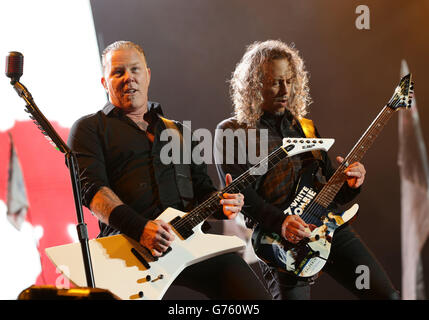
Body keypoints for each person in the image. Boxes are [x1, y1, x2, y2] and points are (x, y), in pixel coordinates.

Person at [67, 40, 271, 300]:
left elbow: (203, 192)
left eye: (135, 69)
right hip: (127, 251)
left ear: (148, 75)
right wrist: (141, 228)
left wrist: (224, 205)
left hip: (190, 244)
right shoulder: (89, 128)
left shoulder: (180, 132)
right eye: (118, 72)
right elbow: (93, 193)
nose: (128, 78)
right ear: (104, 82)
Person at [214, 39, 400, 300]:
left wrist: (350, 184)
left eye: (289, 81)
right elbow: (242, 196)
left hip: (327, 228)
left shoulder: (305, 127)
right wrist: (282, 222)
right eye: (275, 81)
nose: (285, 89)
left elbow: (330, 192)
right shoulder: (232, 131)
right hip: (279, 241)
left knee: (388, 296)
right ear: (255, 84)